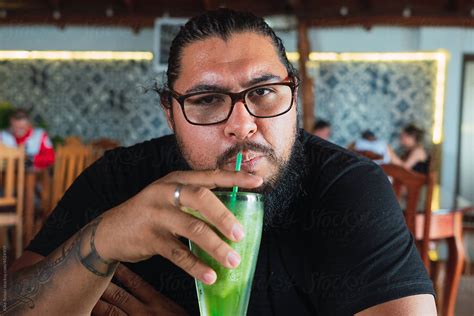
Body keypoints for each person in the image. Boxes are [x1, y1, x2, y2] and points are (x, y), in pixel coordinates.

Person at [6, 9, 436, 315]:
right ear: (169, 111)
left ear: (294, 96)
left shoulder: (349, 188)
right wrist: (102, 240)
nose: (242, 124)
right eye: (208, 100)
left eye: (264, 92)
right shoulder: (118, 178)